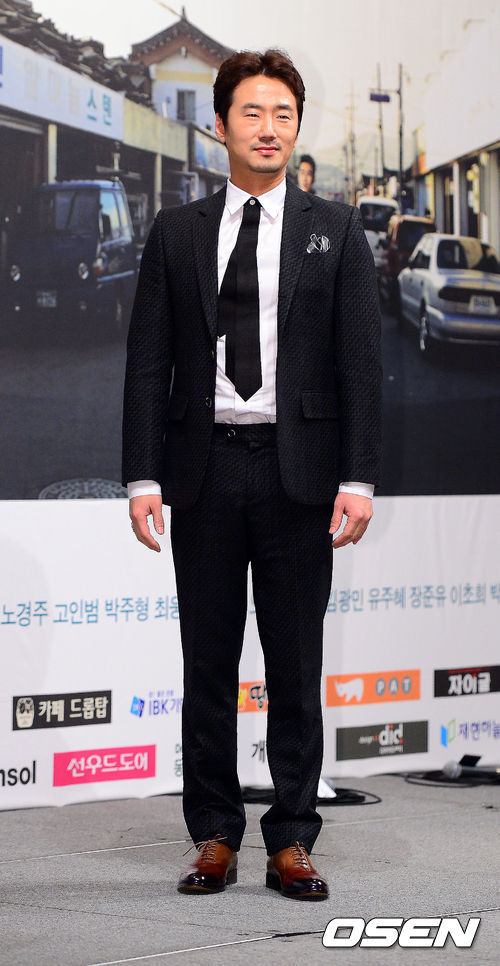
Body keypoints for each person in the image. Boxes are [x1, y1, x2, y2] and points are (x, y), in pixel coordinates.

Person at [122, 48, 381, 901]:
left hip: (297, 476)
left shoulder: (335, 227)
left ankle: (293, 838)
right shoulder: (178, 231)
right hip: (202, 473)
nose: (269, 129)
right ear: (220, 125)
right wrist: (142, 477)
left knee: (295, 665)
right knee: (207, 665)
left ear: (296, 127)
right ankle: (213, 835)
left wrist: (359, 478)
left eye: (283, 115)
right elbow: (148, 361)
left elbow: (360, 364)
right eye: (252, 113)